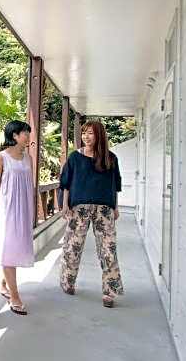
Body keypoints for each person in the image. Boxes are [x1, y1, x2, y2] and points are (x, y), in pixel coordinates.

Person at [58, 120, 124, 307]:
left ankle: (109, 292)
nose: (86, 137)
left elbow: (115, 185)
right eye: (84, 133)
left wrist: (115, 207)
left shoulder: (110, 158)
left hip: (104, 209)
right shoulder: (74, 157)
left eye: (90, 133)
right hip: (79, 208)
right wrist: (65, 205)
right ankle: (68, 282)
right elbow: (66, 183)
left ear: (99, 135)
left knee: (108, 249)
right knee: (72, 247)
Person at [0, 120, 35, 315]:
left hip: (23, 209)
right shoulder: (1, 157)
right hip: (6, 209)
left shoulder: (28, 158)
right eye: (25, 133)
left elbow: (29, 185)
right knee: (8, 248)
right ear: (15, 135)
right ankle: (15, 296)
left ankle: (2, 284)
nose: (28, 136)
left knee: (15, 248)